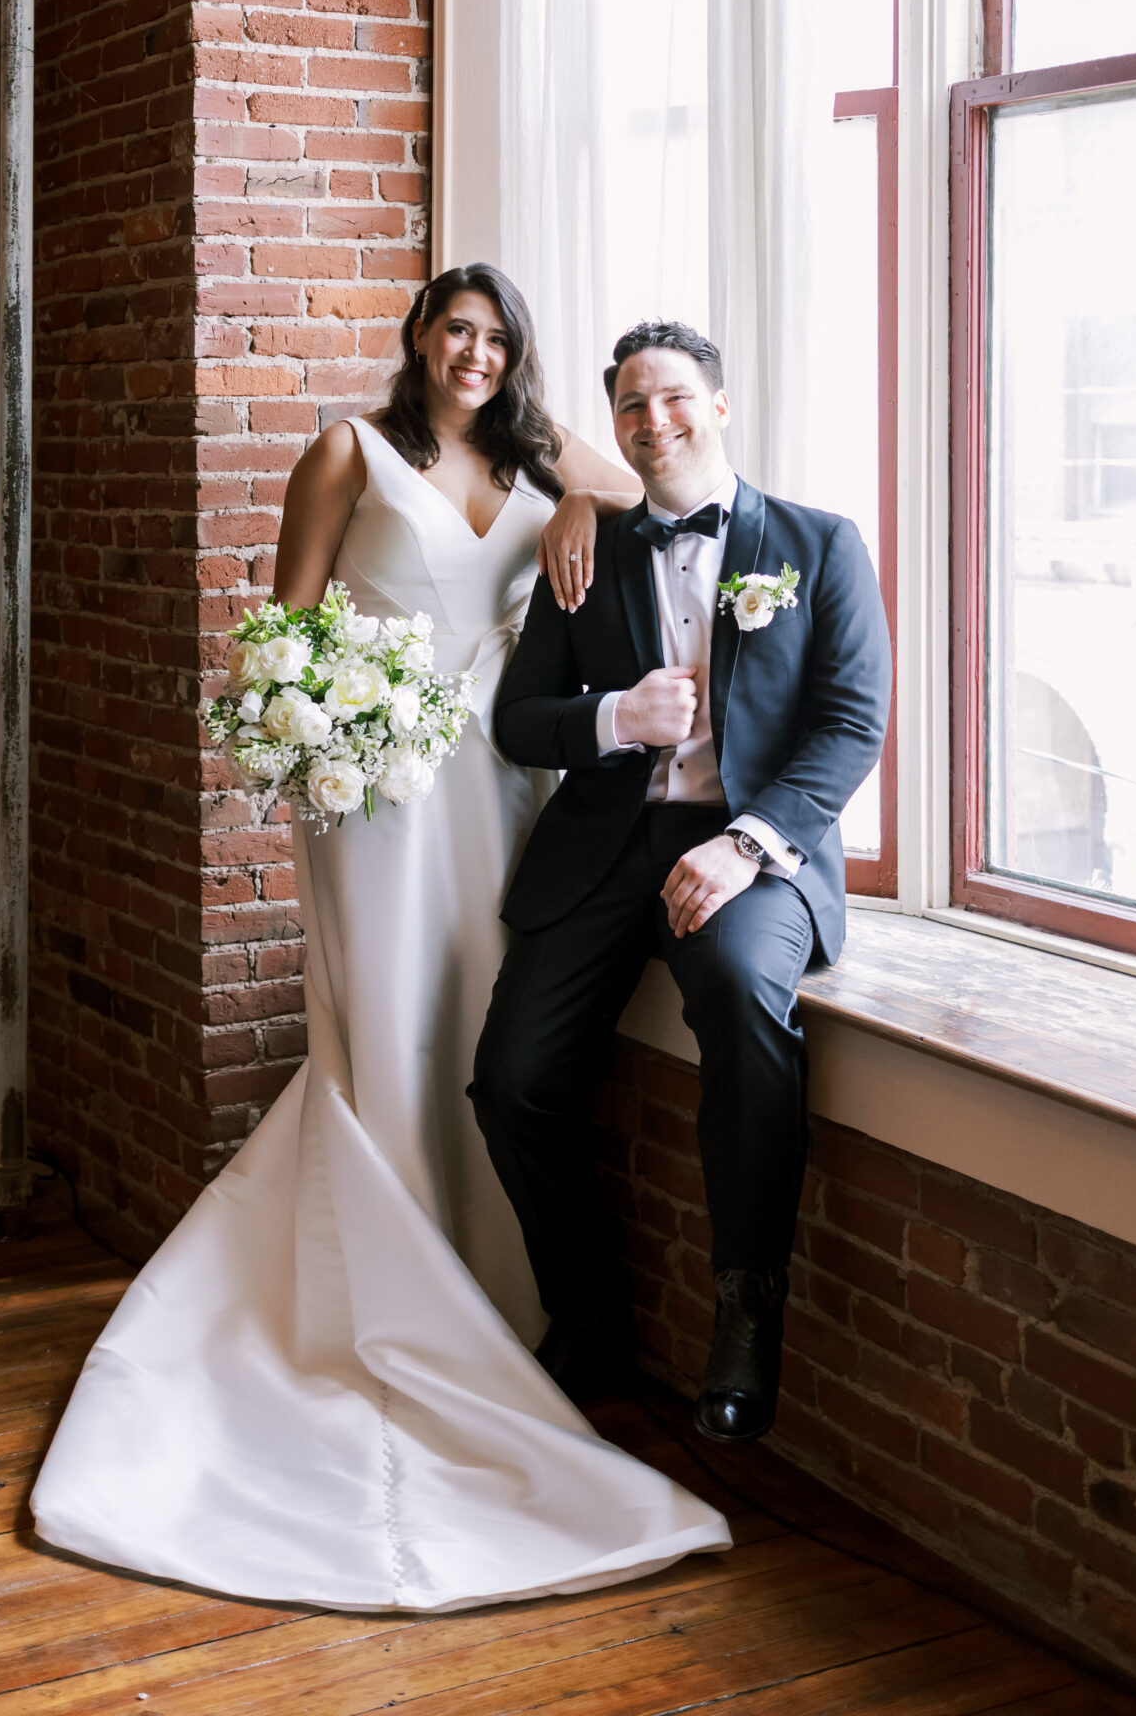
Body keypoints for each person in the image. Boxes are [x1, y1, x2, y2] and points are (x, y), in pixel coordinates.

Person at [29, 267, 731, 1611]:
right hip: (376, 787)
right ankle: (398, 1300)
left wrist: (574, 494)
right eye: (451, 331)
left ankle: (485, 1295)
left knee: (478, 1016)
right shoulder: (347, 451)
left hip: (507, 789)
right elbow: (279, 636)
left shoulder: (538, 451)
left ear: (514, 353)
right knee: (388, 1015)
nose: (471, 353)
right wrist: (326, 739)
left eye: (494, 337)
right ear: (415, 339)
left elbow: (648, 488)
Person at [476, 320, 890, 1443]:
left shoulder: (819, 541)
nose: (651, 422)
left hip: (754, 853)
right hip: (608, 847)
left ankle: (748, 1316)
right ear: (612, 425)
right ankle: (588, 1311)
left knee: (744, 1005)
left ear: (717, 403)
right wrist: (615, 717)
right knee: (509, 1079)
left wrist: (747, 844)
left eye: (671, 399)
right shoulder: (591, 553)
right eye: (629, 407)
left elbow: (854, 727)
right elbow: (518, 719)